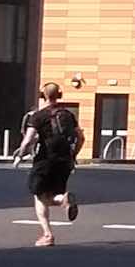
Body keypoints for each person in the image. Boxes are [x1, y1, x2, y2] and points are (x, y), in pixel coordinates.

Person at [16, 80, 83, 245]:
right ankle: (63, 199)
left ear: (42, 96)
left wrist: (20, 153)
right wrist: (73, 155)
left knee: (39, 196)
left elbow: (28, 139)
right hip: (64, 160)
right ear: (59, 95)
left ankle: (47, 235)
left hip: (45, 160)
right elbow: (81, 137)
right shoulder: (68, 115)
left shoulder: (38, 116)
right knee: (51, 194)